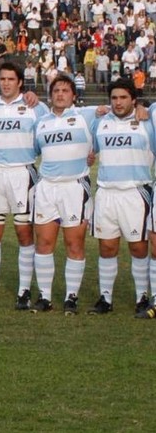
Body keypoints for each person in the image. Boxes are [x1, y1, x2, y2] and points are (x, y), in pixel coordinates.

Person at [0, 63, 49, 309]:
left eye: (11, 79)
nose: (6, 83)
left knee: (24, 234)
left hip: (23, 173)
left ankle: (24, 290)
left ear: (20, 82)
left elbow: (45, 142)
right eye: (2, 78)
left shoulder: (36, 107)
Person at [30, 75, 96, 314]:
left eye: (65, 91)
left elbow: (117, 116)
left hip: (75, 187)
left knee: (74, 243)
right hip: (46, 187)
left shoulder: (87, 117)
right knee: (44, 242)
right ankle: (45, 297)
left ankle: (71, 297)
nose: (60, 94)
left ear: (73, 95)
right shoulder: (41, 122)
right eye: (56, 90)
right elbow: (35, 151)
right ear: (51, 95)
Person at [87, 79, 153, 315]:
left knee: (138, 247)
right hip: (106, 192)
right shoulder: (101, 122)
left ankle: (142, 297)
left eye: (123, 97)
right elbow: (91, 149)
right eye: (114, 98)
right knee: (107, 247)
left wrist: (146, 106)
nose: (118, 102)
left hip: (135, 192)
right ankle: (105, 299)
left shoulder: (148, 119)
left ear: (133, 99)